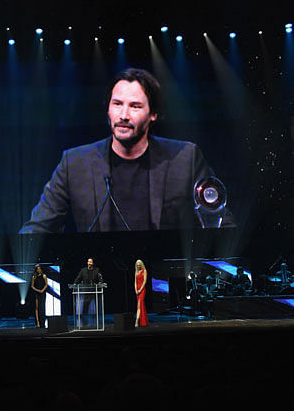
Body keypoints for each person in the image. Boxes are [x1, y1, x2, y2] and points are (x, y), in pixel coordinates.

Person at [20, 68, 234, 233]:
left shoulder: (185, 158)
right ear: (108, 109)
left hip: (165, 283)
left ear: (153, 114)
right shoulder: (75, 163)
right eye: (117, 104)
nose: (123, 114)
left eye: (135, 106)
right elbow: (38, 229)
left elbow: (220, 222)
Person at [134, 259, 148, 327]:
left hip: (142, 290)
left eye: (139, 265)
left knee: (140, 304)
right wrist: (136, 289)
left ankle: (137, 321)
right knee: (139, 306)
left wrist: (140, 290)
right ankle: (142, 321)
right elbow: (135, 282)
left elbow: (144, 281)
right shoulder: (136, 272)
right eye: (137, 265)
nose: (138, 266)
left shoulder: (144, 271)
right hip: (138, 290)